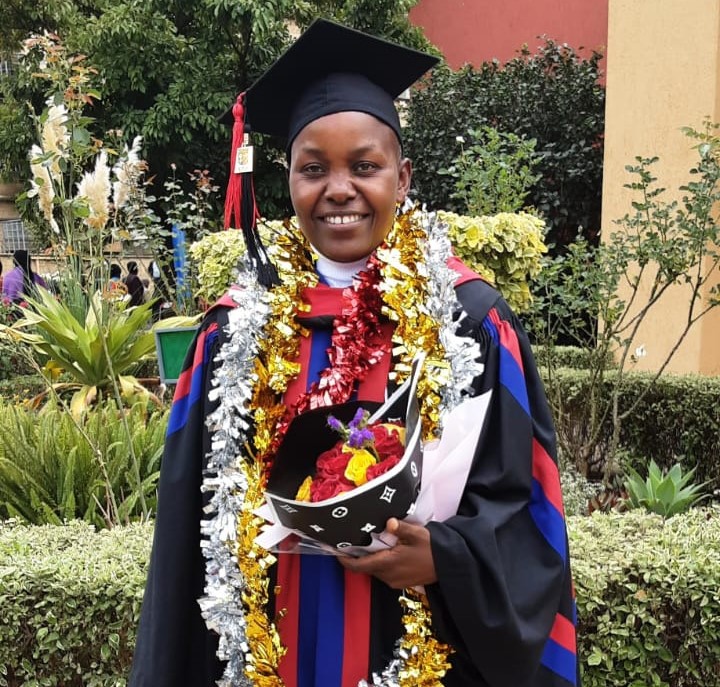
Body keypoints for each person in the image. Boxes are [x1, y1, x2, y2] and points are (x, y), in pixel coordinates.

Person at [130, 19, 579, 687]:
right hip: (267, 649)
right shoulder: (229, 333)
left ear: (402, 178)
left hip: (421, 646)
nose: (339, 188)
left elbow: (523, 504)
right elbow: (183, 539)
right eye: (315, 168)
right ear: (290, 182)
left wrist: (447, 557)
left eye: (363, 166)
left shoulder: (471, 320)